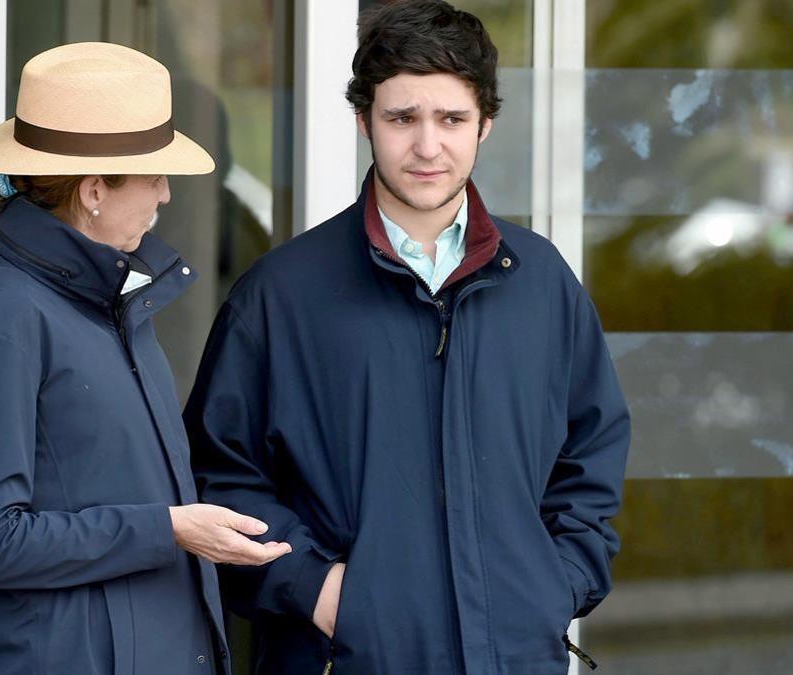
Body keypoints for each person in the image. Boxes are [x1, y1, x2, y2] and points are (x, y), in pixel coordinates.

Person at [183, 2, 631, 673]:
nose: (427, 146)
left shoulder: (542, 284)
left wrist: (556, 584)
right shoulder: (279, 296)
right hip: (343, 656)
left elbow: (590, 455)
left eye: (451, 119)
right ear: (364, 121)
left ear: (486, 122)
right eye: (402, 118)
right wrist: (322, 590)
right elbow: (221, 477)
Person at [0, 42, 290, 675]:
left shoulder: (110, 303)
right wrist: (169, 529)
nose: (166, 196)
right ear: (95, 189)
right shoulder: (4, 318)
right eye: (156, 176)